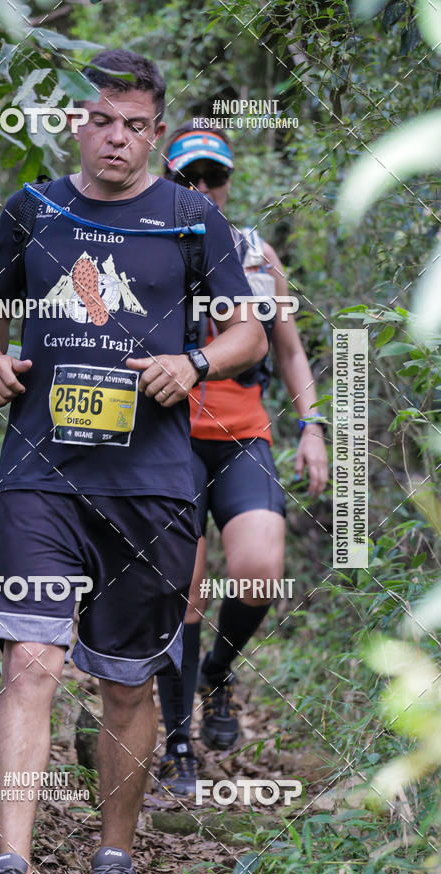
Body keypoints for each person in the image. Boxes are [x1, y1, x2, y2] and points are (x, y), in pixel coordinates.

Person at [0, 54, 267, 874]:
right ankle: (10, 866)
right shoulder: (36, 208)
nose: (118, 139)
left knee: (127, 680)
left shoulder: (188, 218)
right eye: (103, 120)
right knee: (30, 660)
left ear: (156, 135)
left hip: (155, 483)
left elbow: (247, 329)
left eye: (136, 126)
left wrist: (194, 361)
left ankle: (115, 857)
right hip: (42, 472)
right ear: (77, 122)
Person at [155, 123, 329, 797]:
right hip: (166, 441)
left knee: (258, 570)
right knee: (184, 594)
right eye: (187, 178)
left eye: (213, 178)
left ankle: (218, 675)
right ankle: (176, 746)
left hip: (242, 436)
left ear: (228, 183)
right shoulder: (145, 245)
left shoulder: (256, 252)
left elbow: (288, 350)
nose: (201, 189)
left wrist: (311, 425)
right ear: (168, 180)